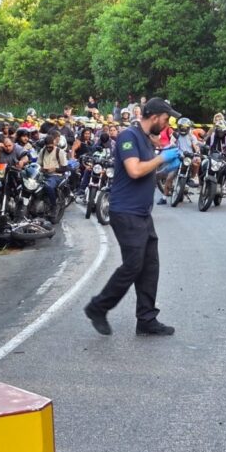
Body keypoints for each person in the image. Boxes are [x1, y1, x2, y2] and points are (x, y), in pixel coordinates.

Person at [84, 97, 181, 337]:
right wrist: (161, 158)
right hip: (125, 212)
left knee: (150, 267)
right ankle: (98, 307)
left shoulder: (147, 140)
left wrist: (163, 169)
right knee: (133, 265)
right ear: (155, 116)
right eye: (166, 119)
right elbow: (134, 170)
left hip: (141, 213)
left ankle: (147, 319)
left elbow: (146, 171)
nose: (167, 125)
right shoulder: (129, 136)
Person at [202, 121, 226, 207]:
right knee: (202, 167)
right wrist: (204, 151)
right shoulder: (211, 137)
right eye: (219, 131)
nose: (221, 134)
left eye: (222, 132)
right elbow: (205, 147)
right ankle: (202, 185)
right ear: (216, 131)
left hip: (222, 161)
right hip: (211, 159)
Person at [39, 131, 68, 220]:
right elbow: (38, 164)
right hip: (44, 174)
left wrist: (54, 169)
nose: (49, 149)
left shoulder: (60, 152)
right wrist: (41, 168)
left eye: (50, 147)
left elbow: (64, 168)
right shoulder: (42, 151)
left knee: (48, 186)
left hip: (56, 175)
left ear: (54, 144)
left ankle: (53, 206)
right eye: (47, 147)